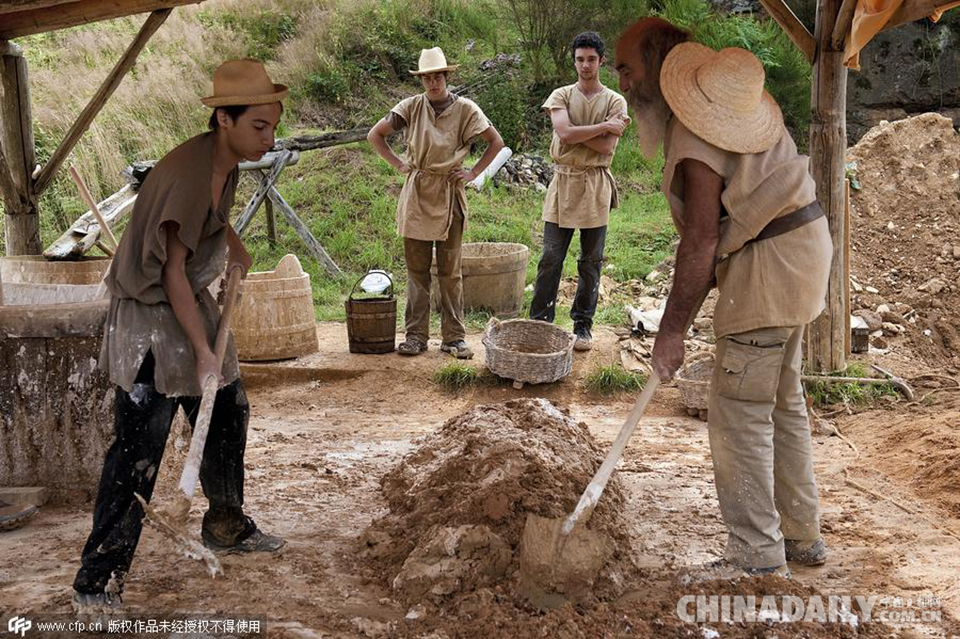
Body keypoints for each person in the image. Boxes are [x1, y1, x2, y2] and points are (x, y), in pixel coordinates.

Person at [615, 18, 832, 580]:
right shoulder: (732, 109)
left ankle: (756, 555)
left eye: (625, 68)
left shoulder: (696, 131)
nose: (621, 81)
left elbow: (703, 238)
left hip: (768, 266)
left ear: (659, 68)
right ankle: (800, 537)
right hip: (803, 252)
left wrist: (670, 330)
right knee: (782, 402)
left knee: (739, 413)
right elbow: (716, 237)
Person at [72, 59, 286, 616]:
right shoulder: (190, 175)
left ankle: (226, 525)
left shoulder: (227, 161)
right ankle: (97, 579)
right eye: (259, 126)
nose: (270, 137)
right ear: (224, 119)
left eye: (273, 125)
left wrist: (233, 246)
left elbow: (208, 223)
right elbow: (169, 273)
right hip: (149, 315)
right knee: (138, 450)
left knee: (227, 409)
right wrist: (201, 351)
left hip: (185, 300)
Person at [368, 47, 504, 359]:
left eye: (438, 76)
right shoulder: (411, 107)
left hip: (449, 193)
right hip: (417, 193)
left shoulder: (467, 109)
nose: (433, 82)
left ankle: (454, 338)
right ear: (422, 80)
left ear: (446, 77)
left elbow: (495, 142)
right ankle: (415, 336)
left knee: (450, 271)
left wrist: (472, 173)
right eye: (427, 77)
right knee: (416, 271)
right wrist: (400, 164)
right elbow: (375, 135)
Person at [529, 31, 629, 351]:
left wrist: (575, 133)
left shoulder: (615, 100)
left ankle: (583, 325)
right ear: (574, 61)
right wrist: (601, 127)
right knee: (550, 257)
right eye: (579, 59)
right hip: (564, 182)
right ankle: (539, 323)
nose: (584, 65)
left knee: (591, 260)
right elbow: (564, 132)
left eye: (590, 60)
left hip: (595, 184)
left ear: (601, 61)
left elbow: (607, 146)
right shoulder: (561, 94)